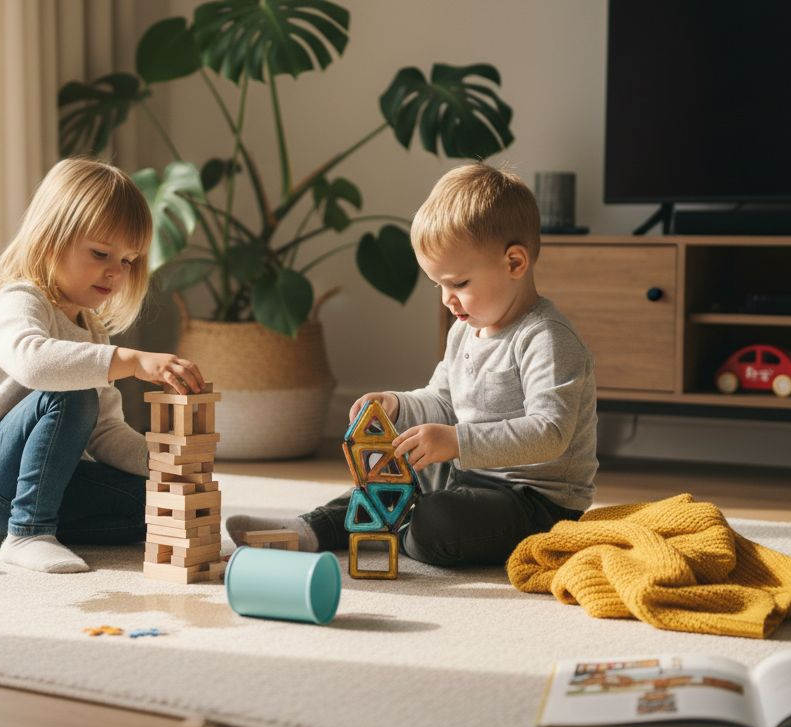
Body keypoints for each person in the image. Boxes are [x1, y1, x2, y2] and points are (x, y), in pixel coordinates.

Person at [227, 163, 597, 566]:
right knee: (392, 474)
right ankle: (314, 528)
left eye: (458, 284)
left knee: (438, 522)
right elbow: (441, 399)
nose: (446, 300)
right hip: (467, 478)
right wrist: (398, 404)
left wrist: (456, 442)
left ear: (514, 263)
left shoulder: (546, 338)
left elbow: (550, 433)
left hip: (535, 503)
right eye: (437, 285)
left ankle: (392, 527)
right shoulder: (464, 331)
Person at [0, 157, 204, 574]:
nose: (115, 272)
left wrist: (166, 464)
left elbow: (106, 432)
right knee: (70, 392)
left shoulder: (91, 329)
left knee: (154, 507)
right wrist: (129, 360)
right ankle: (27, 532)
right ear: (51, 239)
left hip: (34, 484)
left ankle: (24, 522)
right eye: (100, 253)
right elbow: (35, 364)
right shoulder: (18, 301)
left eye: (128, 260)